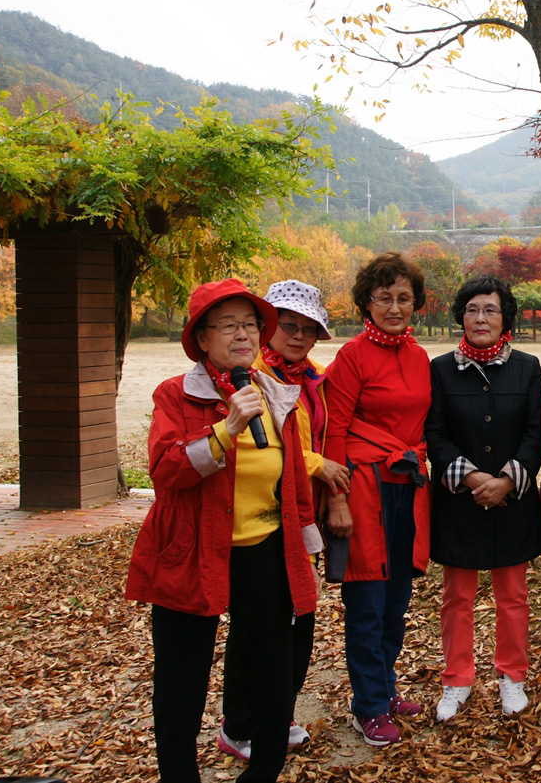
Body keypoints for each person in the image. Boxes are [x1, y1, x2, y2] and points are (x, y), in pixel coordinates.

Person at [125, 278, 321, 783]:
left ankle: (263, 771)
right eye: (228, 325)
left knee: (272, 670)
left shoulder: (274, 392)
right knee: (182, 676)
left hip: (265, 549)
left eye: (250, 325)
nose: (243, 335)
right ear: (202, 338)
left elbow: (292, 478)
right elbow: (165, 470)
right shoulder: (176, 394)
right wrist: (225, 428)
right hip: (192, 549)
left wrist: (306, 544)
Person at [217, 280, 350, 761]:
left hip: (304, 514)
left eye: (308, 329)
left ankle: (277, 714)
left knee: (297, 619)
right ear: (268, 328)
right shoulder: (248, 377)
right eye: (288, 326)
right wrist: (318, 466)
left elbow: (324, 436)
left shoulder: (315, 378)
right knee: (258, 626)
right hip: (263, 519)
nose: (297, 336)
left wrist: (331, 494)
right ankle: (241, 723)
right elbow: (275, 448)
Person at [426, 276, 541, 721]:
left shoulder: (527, 367)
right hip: (460, 502)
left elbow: (536, 431)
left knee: (513, 595)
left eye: (490, 310)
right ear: (462, 316)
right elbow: (434, 433)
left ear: (504, 318)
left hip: (512, 501)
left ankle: (512, 676)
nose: (480, 318)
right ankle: (456, 679)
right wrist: (474, 478)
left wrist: (508, 481)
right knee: (457, 597)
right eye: (472, 309)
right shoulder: (440, 369)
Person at [324, 252, 432, 746]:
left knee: (396, 600)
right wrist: (336, 500)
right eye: (384, 297)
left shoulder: (418, 357)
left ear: (415, 303)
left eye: (403, 298)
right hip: (364, 486)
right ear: (367, 302)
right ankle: (367, 706)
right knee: (366, 602)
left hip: (407, 487)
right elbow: (334, 431)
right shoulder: (352, 356)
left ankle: (385, 689)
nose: (394, 307)